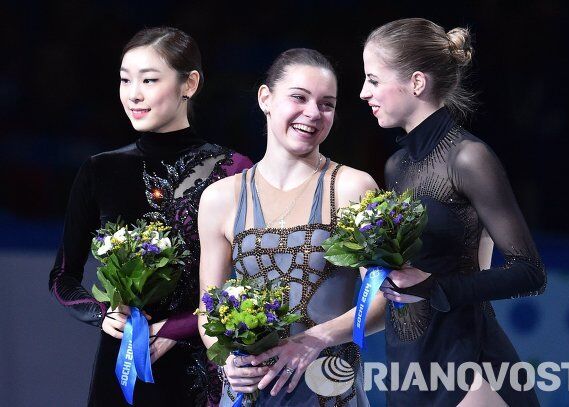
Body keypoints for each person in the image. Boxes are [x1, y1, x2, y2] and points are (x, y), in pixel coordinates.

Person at [49, 26, 252, 406]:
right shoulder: (100, 170)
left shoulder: (233, 170)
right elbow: (63, 278)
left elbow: (249, 280)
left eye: (149, 80)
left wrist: (180, 326)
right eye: (126, 80)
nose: (133, 94)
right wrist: (103, 314)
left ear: (189, 83)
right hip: (123, 363)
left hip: (199, 365)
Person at [359, 18, 546, 406]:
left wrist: (435, 287)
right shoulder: (397, 164)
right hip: (410, 360)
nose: (363, 93)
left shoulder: (468, 157)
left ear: (416, 82)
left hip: (469, 361)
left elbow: (529, 272)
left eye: (374, 80)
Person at [197, 48, 384, 406]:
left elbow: (383, 300)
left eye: (326, 104)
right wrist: (225, 361)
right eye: (299, 97)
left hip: (329, 392)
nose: (313, 113)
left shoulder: (352, 187)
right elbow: (209, 307)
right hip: (248, 393)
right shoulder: (221, 198)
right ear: (265, 99)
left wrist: (315, 338)